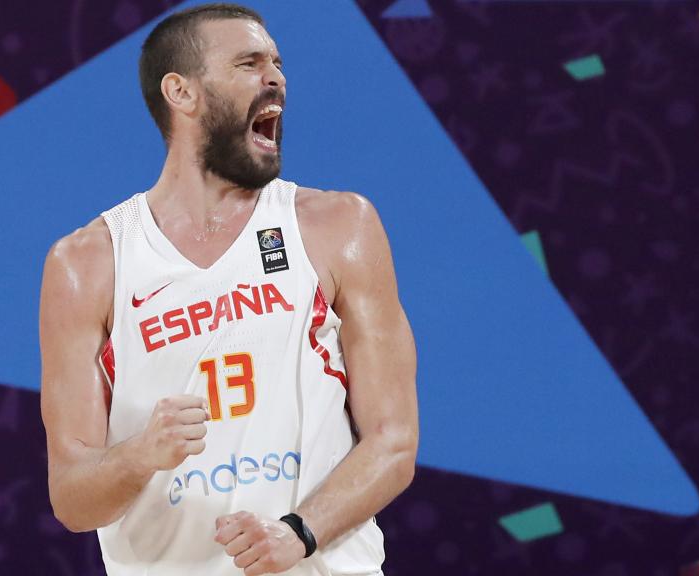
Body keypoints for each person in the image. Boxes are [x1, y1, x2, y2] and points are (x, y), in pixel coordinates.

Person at [38, 4, 419, 575]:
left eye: (277, 63)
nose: (276, 78)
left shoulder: (339, 226)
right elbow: (72, 498)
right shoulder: (88, 263)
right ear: (181, 92)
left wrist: (298, 534)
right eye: (249, 62)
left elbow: (393, 441)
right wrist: (140, 456)